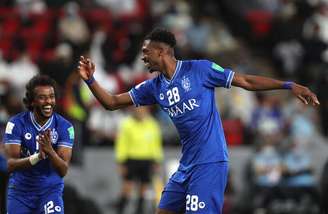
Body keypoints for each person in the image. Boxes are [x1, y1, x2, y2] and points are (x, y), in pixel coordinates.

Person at [77, 28, 319, 214]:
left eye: (146, 52)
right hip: (186, 166)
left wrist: (289, 85)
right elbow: (111, 103)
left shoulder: (199, 70)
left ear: (161, 51)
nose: (143, 58)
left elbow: (245, 81)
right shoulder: (153, 87)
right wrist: (90, 81)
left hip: (210, 162)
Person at [4, 75, 75, 214]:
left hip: (50, 191)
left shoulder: (65, 127)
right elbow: (10, 164)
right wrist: (37, 157)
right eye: (42, 97)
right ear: (32, 101)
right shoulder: (16, 124)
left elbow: (63, 170)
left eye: (51, 96)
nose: (48, 101)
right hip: (21, 193)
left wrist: (50, 151)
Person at [114, 106, 163, 214]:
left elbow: (156, 144)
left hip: (147, 160)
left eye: (142, 109)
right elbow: (122, 144)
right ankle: (120, 210)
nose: (140, 111)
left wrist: (157, 160)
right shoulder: (127, 124)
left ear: (146, 110)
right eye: (138, 109)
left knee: (143, 190)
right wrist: (120, 162)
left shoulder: (152, 124)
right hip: (131, 160)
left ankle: (139, 211)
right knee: (127, 188)